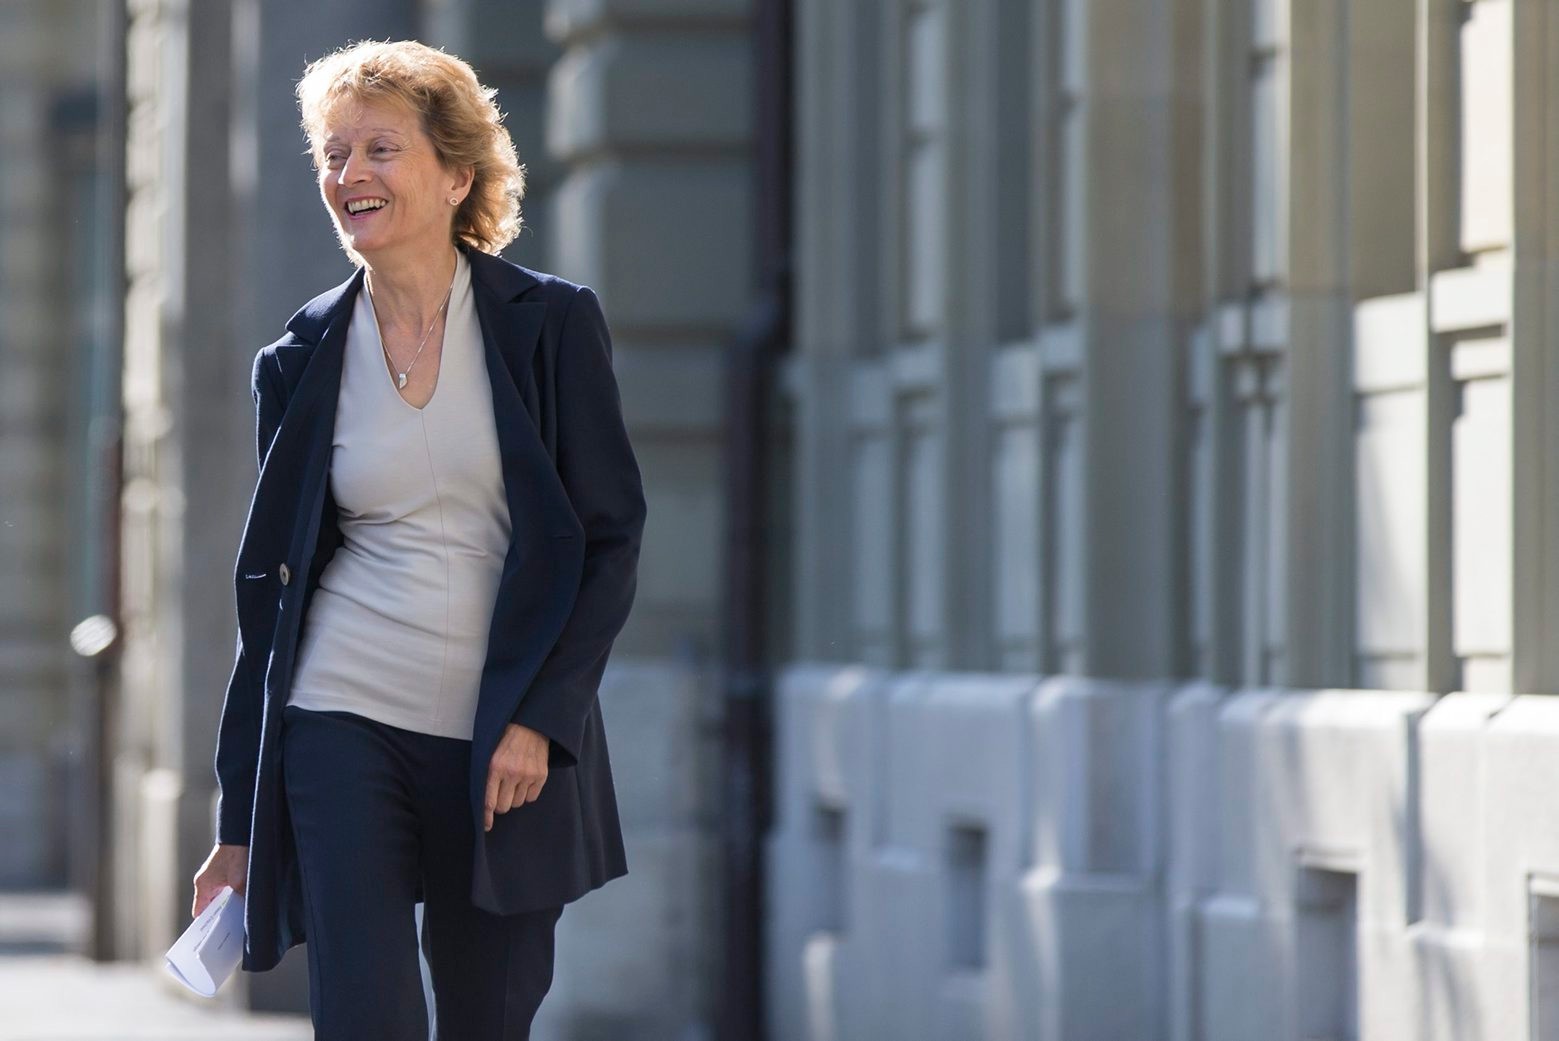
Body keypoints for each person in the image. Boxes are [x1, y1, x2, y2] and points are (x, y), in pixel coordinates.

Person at [188, 38, 646, 1040]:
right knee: (365, 1014)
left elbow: (609, 540)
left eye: (379, 150)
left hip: (504, 741)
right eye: (333, 152)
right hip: (341, 716)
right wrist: (236, 823)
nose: (348, 175)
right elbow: (269, 597)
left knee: (489, 1012)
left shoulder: (549, 325)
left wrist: (541, 718)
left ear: (455, 174)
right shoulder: (300, 356)